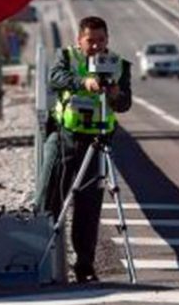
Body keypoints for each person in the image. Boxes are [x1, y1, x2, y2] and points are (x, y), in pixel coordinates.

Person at [34, 16, 132, 283]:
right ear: (79, 40)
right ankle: (39, 261)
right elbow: (55, 79)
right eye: (91, 41)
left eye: (101, 40)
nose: (96, 46)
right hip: (66, 138)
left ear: (107, 40)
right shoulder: (66, 57)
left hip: (97, 142)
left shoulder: (119, 66)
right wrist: (83, 82)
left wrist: (114, 94)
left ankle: (85, 266)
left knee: (88, 208)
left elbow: (125, 103)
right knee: (49, 200)